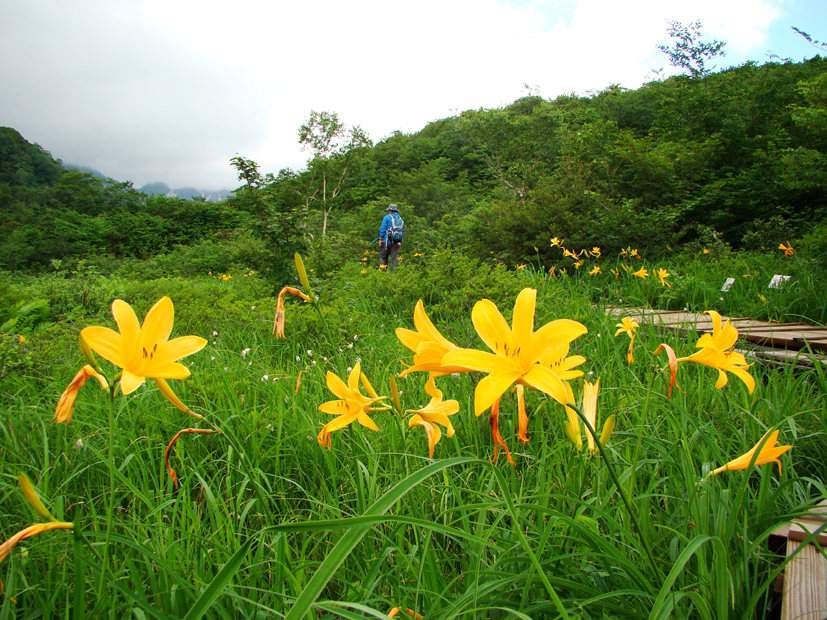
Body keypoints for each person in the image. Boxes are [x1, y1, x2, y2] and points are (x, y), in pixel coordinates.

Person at [378, 203, 404, 272]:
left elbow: (383, 229)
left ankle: (383, 272)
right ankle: (394, 273)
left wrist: (380, 239)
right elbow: (402, 231)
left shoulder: (386, 217)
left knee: (383, 257)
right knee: (394, 258)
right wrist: (399, 243)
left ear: (390, 210)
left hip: (386, 241)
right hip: (396, 241)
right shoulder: (400, 219)